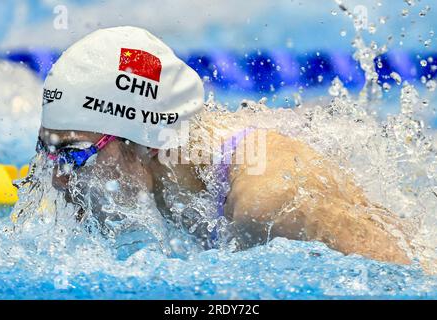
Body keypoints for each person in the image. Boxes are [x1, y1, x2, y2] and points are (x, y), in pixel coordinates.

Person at [34, 26, 415, 265]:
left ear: (147, 144)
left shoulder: (273, 201)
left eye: (72, 154)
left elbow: (411, 279)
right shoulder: (176, 179)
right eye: (47, 150)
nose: (58, 178)